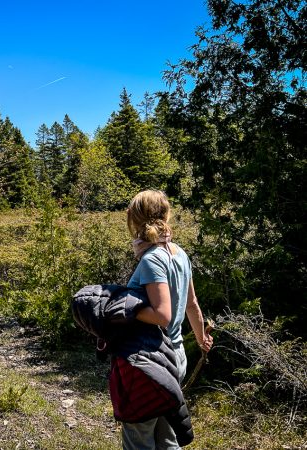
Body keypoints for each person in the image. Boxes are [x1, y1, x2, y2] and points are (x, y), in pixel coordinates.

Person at [122, 190, 213, 450]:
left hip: (151, 359)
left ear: (136, 218)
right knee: (168, 438)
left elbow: (162, 315)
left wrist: (121, 307)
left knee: (139, 437)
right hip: (176, 357)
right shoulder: (179, 253)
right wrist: (201, 338)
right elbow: (192, 304)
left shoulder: (152, 259)